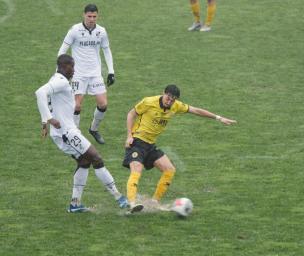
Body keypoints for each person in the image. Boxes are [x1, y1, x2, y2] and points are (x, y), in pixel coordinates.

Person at [35, 54, 127, 213]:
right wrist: (49, 119)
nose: (74, 70)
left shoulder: (55, 79)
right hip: (66, 132)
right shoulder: (61, 81)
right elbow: (39, 93)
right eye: (72, 66)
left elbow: (46, 98)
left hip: (65, 131)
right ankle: (120, 198)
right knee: (96, 158)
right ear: (64, 66)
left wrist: (45, 122)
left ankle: (75, 204)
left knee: (84, 161)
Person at [123, 84, 236, 213]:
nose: (170, 101)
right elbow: (131, 114)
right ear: (163, 93)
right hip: (137, 141)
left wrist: (219, 118)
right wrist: (129, 135)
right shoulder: (149, 102)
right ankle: (132, 203)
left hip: (150, 145)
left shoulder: (176, 106)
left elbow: (196, 110)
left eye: (173, 99)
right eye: (168, 97)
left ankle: (154, 201)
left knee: (169, 169)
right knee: (137, 169)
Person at [58, 4, 115, 144]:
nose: (91, 19)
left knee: (103, 104)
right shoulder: (74, 30)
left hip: (95, 73)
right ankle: (75, 134)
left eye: (94, 16)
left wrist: (111, 71)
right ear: (84, 15)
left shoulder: (101, 31)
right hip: (78, 74)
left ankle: (93, 129)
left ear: (98, 16)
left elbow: (106, 50)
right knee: (77, 106)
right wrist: (60, 72)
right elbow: (62, 52)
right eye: (89, 16)